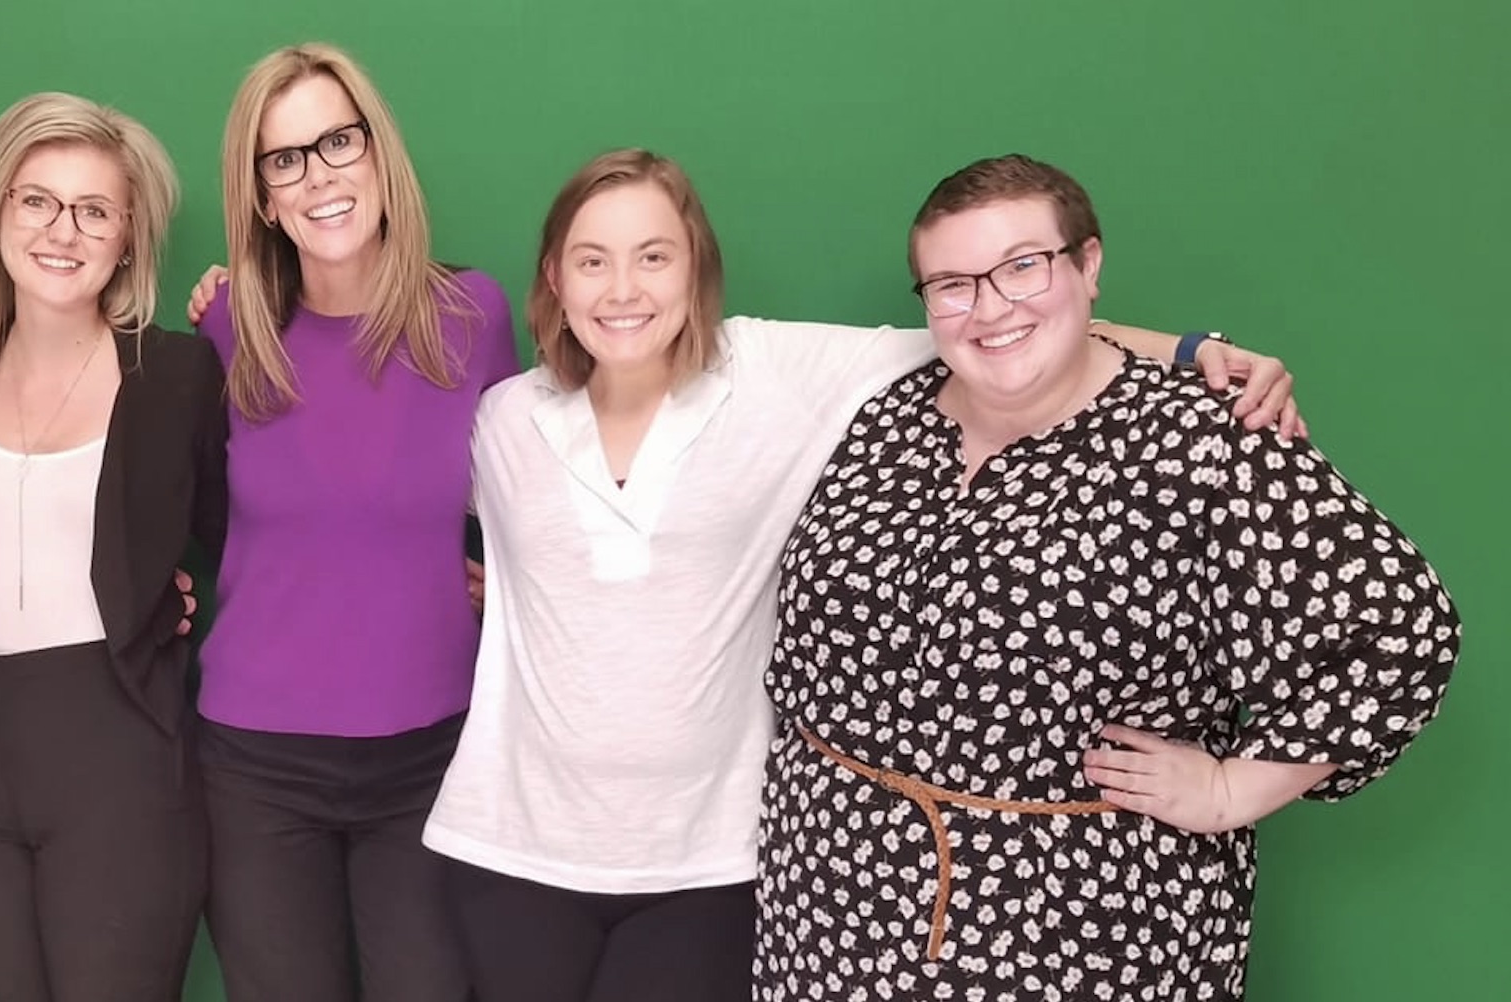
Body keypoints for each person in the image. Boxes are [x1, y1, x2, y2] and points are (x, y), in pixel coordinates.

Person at [421, 149, 1306, 1002]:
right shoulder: (502, 418)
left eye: (654, 256)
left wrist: (1191, 351)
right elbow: (376, 526)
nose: (623, 289)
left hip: (711, 854)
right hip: (509, 845)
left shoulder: (772, 372)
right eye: (592, 261)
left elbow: (983, 327)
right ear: (553, 277)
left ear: (697, 270)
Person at [757, 154, 1460, 1001]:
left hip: (1081, 923)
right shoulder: (883, 418)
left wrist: (1233, 788)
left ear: (1088, 266)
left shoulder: (1203, 441)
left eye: (1022, 266)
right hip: (831, 908)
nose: (989, 308)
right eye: (951, 284)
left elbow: (1400, 632)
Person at [186, 42, 519, 1002]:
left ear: (379, 154)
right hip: (255, 767)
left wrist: (515, 594)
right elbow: (194, 507)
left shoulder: (473, 315)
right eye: (284, 158)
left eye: (338, 141)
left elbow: (529, 495)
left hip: (433, 756)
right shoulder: (226, 328)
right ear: (259, 194)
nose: (319, 176)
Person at [0, 92, 225, 1002]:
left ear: (128, 236)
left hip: (119, 751)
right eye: (37, 201)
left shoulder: (176, 373)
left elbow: (246, 530)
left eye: (95, 210)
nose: (64, 230)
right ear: (0, 217)